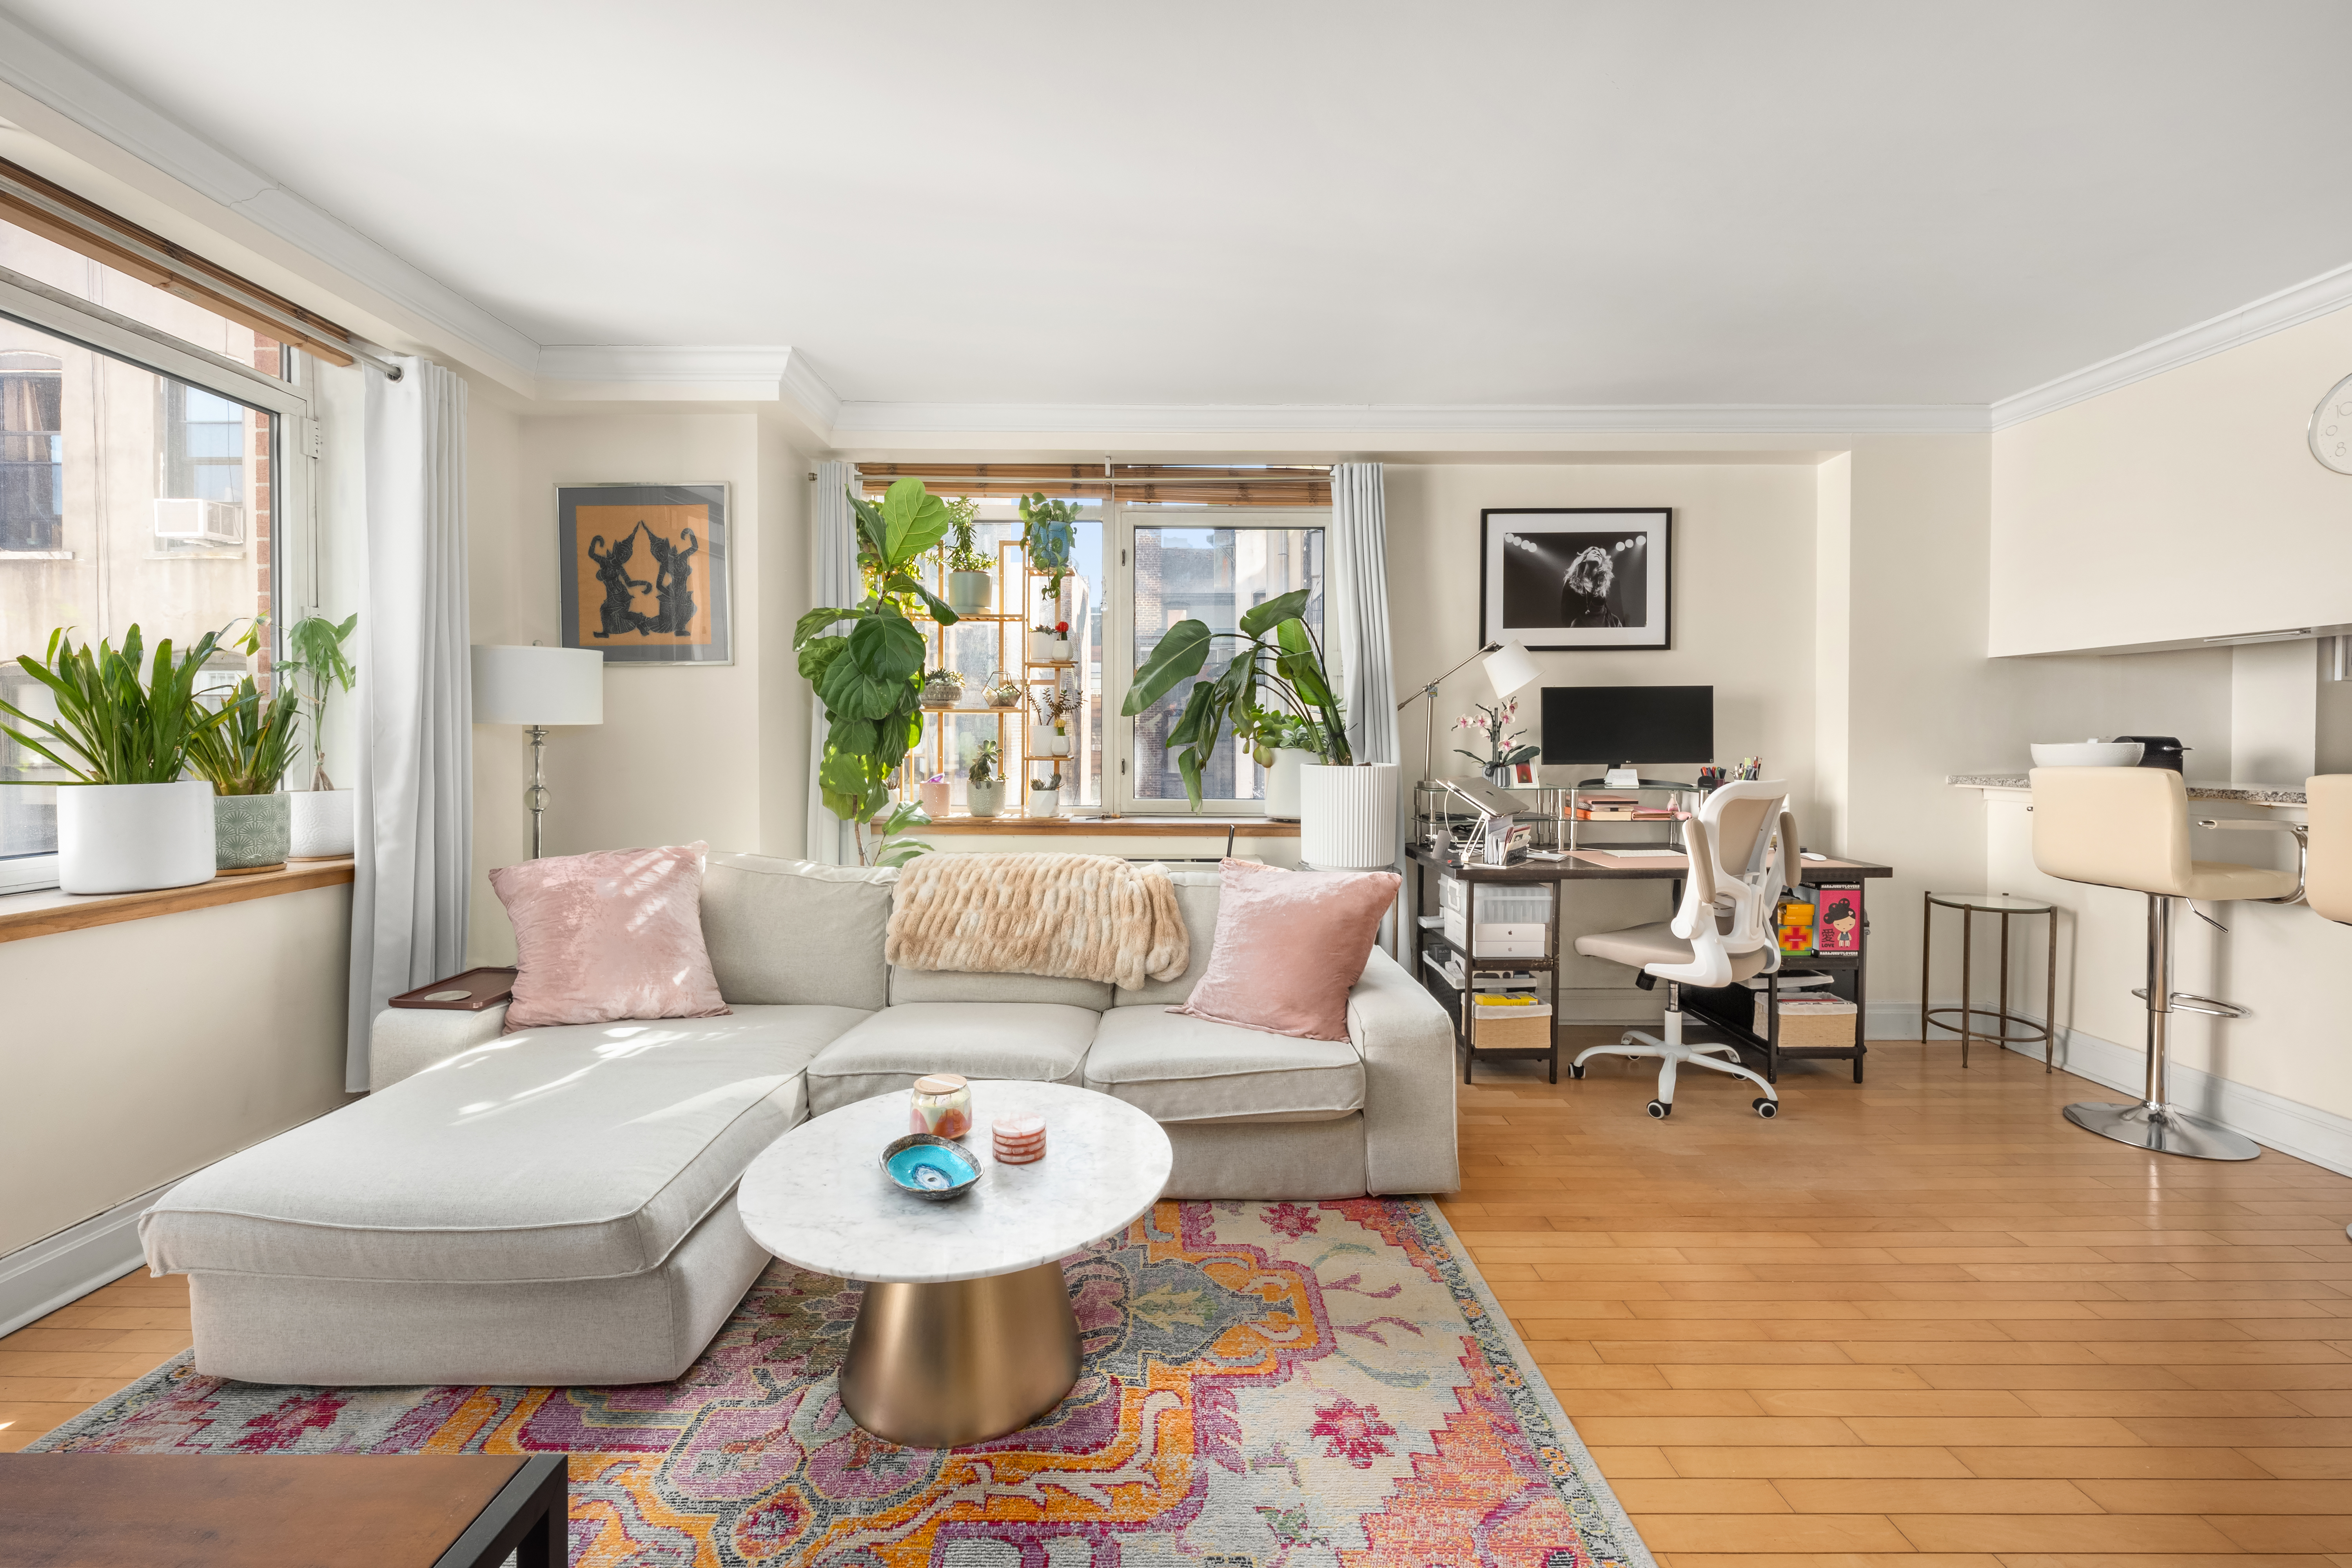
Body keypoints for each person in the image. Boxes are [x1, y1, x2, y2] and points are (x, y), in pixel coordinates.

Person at [1559, 545, 1623, 628]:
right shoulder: (1572, 581)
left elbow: (1604, 608)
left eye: (1600, 555)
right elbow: (1566, 611)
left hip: (1606, 623)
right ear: (1585, 558)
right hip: (1583, 626)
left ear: (1601, 564)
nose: (1598, 554)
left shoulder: (1602, 583)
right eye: (1594, 552)